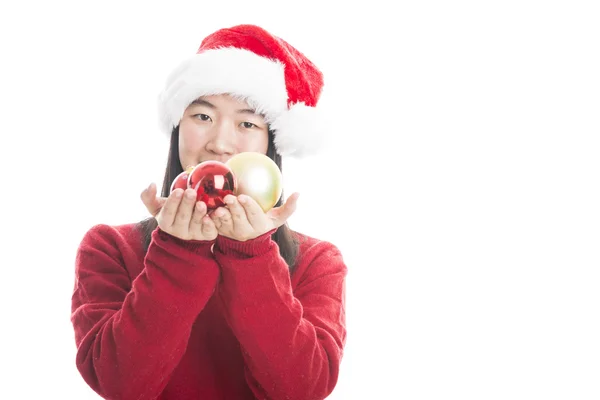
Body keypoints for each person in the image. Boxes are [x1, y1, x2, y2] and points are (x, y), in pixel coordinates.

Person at [70, 24, 348, 400]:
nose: (220, 143)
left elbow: (301, 389)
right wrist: (177, 251)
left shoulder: (317, 261)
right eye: (202, 117)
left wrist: (252, 255)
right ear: (177, 128)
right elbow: (121, 385)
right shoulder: (110, 247)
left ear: (271, 144)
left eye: (247, 123)